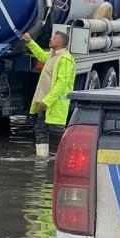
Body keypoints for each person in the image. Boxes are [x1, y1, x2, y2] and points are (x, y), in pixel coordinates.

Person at [22, 29, 76, 157]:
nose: (51, 39)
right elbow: (41, 55)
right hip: (44, 102)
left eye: (54, 38)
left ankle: (69, 156)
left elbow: (61, 83)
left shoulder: (65, 59)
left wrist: (47, 101)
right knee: (40, 129)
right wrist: (30, 42)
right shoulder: (52, 56)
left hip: (54, 104)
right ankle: (42, 158)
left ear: (60, 43)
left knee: (57, 131)